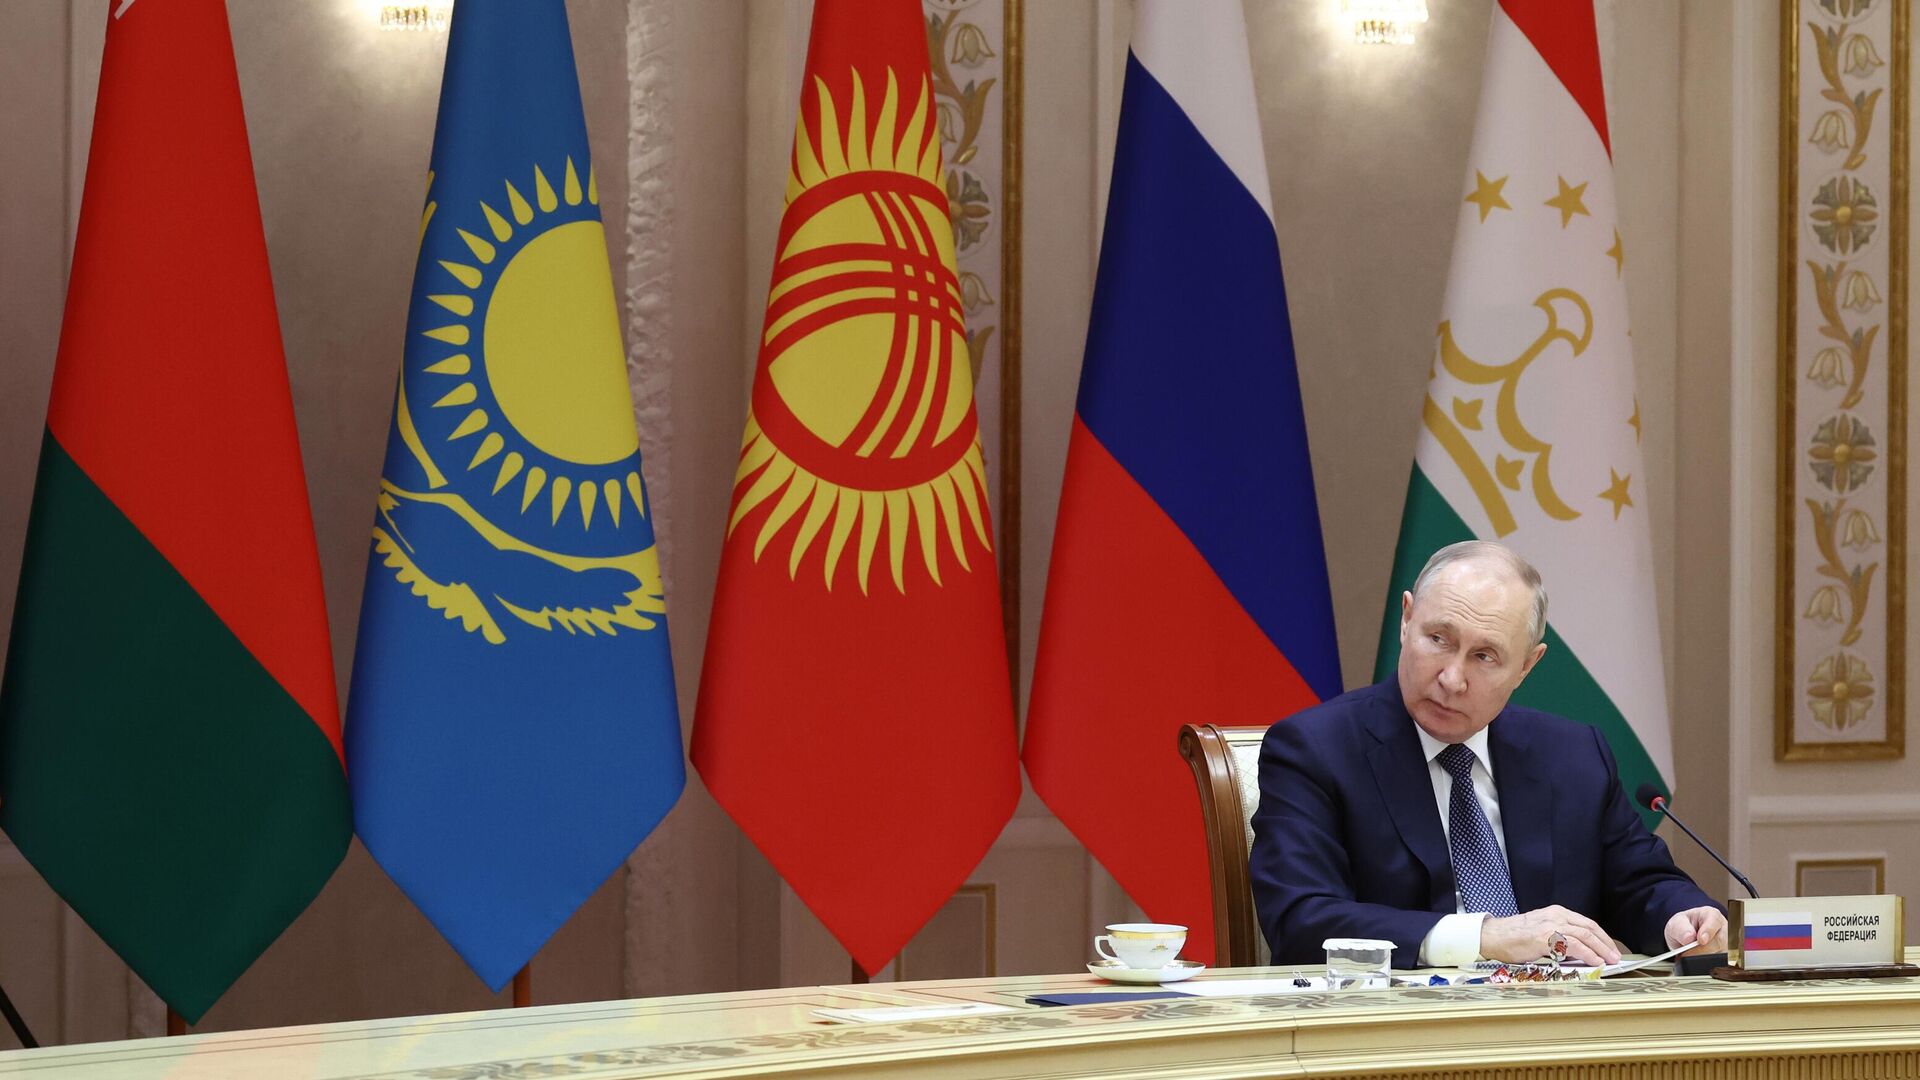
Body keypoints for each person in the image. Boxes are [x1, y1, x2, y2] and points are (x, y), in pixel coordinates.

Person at [1249, 540, 1726, 969]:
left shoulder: (1574, 755)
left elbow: (1639, 884)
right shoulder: (1315, 750)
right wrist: (1483, 937)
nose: (1452, 678)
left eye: (1484, 656)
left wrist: (1681, 917)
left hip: (1556, 1022)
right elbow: (1301, 919)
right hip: (1398, 1026)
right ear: (1406, 620)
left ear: (1527, 666)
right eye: (1439, 639)